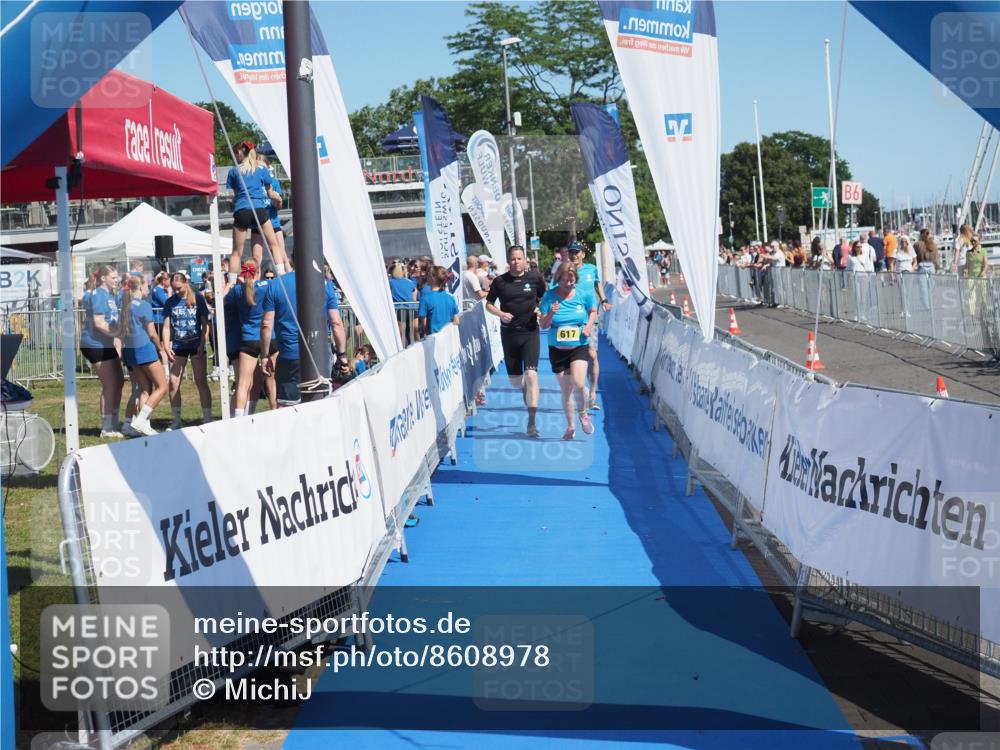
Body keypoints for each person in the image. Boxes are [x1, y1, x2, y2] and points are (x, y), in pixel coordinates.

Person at [260, 265, 349, 406]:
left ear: (292, 260)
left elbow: (266, 324)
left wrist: (265, 355)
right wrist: (342, 354)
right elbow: (336, 322)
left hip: (289, 355)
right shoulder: (325, 284)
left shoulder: (276, 284)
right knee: (320, 404)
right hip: (319, 354)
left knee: (288, 407)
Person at [485, 245, 546, 437]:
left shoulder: (535, 278)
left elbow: (543, 297)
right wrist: (501, 314)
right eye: (513, 259)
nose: (516, 262)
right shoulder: (499, 281)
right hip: (509, 334)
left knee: (531, 375)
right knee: (516, 381)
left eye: (519, 259)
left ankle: (532, 422)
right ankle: (528, 397)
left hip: (530, 332)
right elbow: (488, 304)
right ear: (508, 261)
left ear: (525, 261)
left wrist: (539, 309)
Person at [538, 265, 598, 441]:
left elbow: (593, 311)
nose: (568, 283)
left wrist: (588, 326)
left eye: (571, 280)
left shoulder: (583, 294)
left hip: (579, 345)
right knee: (566, 390)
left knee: (579, 382)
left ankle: (583, 414)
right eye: (564, 280)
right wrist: (551, 313)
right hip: (557, 349)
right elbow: (543, 325)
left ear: (575, 279)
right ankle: (570, 426)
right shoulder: (550, 296)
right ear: (558, 278)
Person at [226, 140, 287, 278]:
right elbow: (271, 194)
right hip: (259, 211)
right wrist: (278, 198)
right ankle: (282, 276)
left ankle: (232, 283)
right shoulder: (261, 170)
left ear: (240, 153)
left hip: (242, 211)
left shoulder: (234, 171)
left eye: (236, 153)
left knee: (236, 252)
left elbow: (236, 196)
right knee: (274, 246)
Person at [224, 259, 275, 416]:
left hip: (249, 339)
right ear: (258, 271)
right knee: (272, 382)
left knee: (243, 383)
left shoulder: (237, 291)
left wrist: (234, 282)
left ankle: (240, 418)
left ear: (243, 272)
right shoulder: (267, 286)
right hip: (270, 338)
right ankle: (274, 413)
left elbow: (223, 301)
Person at [161, 272, 213, 430]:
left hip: (196, 344)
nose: (176, 291)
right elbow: (166, 326)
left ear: (185, 284)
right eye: (173, 289)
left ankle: (207, 417)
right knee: (174, 382)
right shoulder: (170, 302)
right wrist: (166, 346)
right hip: (178, 346)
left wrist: (202, 343)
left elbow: (205, 324)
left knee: (200, 380)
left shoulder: (197, 298)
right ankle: (176, 419)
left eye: (179, 288)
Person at [118, 276, 167, 437]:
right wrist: (161, 349)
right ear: (140, 287)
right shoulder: (144, 305)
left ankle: (143, 424)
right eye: (147, 286)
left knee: (145, 388)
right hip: (144, 349)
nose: (149, 289)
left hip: (130, 350)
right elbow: (152, 333)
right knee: (162, 387)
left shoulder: (125, 305)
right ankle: (141, 420)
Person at [565, 241, 610, 410]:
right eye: (571, 252)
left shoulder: (591, 269)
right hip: (570, 321)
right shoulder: (564, 271)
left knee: (592, 356)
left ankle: (592, 394)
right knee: (572, 359)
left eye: (577, 252)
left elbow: (597, 284)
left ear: (583, 254)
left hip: (590, 320)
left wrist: (604, 300)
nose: (574, 255)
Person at [80, 265, 124, 438]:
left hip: (106, 343)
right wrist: (116, 333)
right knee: (109, 383)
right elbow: (99, 322)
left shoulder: (110, 295)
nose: (117, 280)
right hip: (94, 344)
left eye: (117, 277)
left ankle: (114, 421)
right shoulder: (98, 294)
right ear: (103, 278)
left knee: (119, 381)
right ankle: (106, 427)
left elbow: (111, 320)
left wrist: (117, 341)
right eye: (113, 277)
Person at [251, 151, 286, 265]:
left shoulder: (274, 182)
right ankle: (255, 281)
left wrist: (278, 200)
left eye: (263, 167)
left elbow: (278, 207)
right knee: (256, 257)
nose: (260, 170)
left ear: (267, 167)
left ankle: (286, 277)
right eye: (258, 167)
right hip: (258, 224)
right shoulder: (252, 183)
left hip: (273, 223)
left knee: (281, 254)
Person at [417, 266, 460, 336]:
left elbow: (424, 325)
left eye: (428, 275)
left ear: (432, 278)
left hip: (434, 338)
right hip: (449, 337)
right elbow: (456, 321)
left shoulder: (425, 299)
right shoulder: (451, 297)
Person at [388, 261, 419, 344]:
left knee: (401, 335)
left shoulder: (390, 282)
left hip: (399, 310)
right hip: (412, 309)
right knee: (415, 333)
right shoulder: (410, 282)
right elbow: (414, 295)